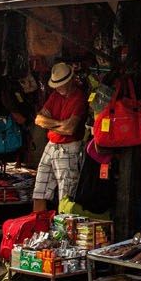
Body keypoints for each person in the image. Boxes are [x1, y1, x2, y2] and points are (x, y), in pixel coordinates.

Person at [32, 63, 87, 212]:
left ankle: (64, 230)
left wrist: (49, 124)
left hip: (69, 148)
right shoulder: (55, 95)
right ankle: (38, 226)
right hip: (52, 145)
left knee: (66, 195)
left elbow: (70, 129)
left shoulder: (79, 98)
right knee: (39, 190)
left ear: (70, 80)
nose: (58, 88)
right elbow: (38, 119)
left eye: (61, 84)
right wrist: (59, 124)